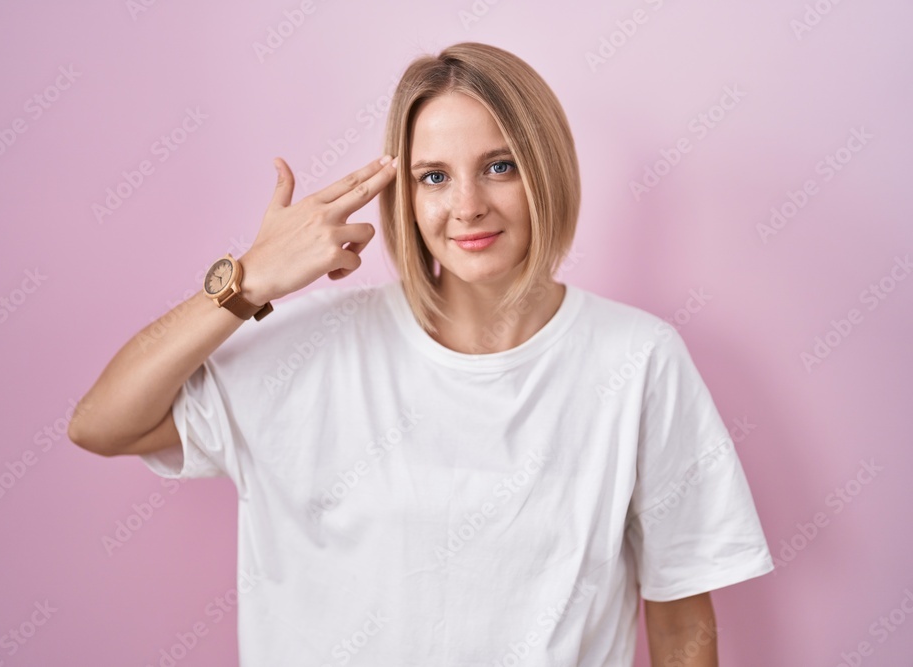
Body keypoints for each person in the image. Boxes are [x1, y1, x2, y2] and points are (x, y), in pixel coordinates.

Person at [69, 41, 774, 667]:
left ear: (546, 170)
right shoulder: (311, 347)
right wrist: (248, 278)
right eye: (434, 176)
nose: (467, 205)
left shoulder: (638, 359)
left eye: (499, 166)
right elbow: (103, 423)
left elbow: (683, 621)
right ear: (403, 195)